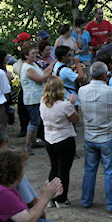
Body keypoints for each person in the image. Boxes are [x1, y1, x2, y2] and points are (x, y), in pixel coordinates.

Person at [79, 62, 112, 213]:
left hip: (90, 136)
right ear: (105, 74)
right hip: (108, 137)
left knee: (89, 170)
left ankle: (86, 200)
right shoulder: (111, 91)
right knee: (110, 172)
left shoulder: (82, 91)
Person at [40, 76, 79, 208]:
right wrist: (72, 104)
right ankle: (61, 199)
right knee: (63, 170)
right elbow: (75, 119)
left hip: (49, 139)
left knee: (54, 168)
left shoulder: (43, 103)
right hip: (64, 139)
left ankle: (51, 197)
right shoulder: (65, 106)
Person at [19, 45, 53, 154]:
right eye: (32, 53)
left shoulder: (33, 64)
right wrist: (53, 67)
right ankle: (27, 146)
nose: (35, 55)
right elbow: (41, 79)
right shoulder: (27, 68)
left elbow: (43, 73)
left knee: (36, 121)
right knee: (34, 121)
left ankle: (33, 142)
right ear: (26, 56)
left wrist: (52, 64)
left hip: (37, 98)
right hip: (32, 99)